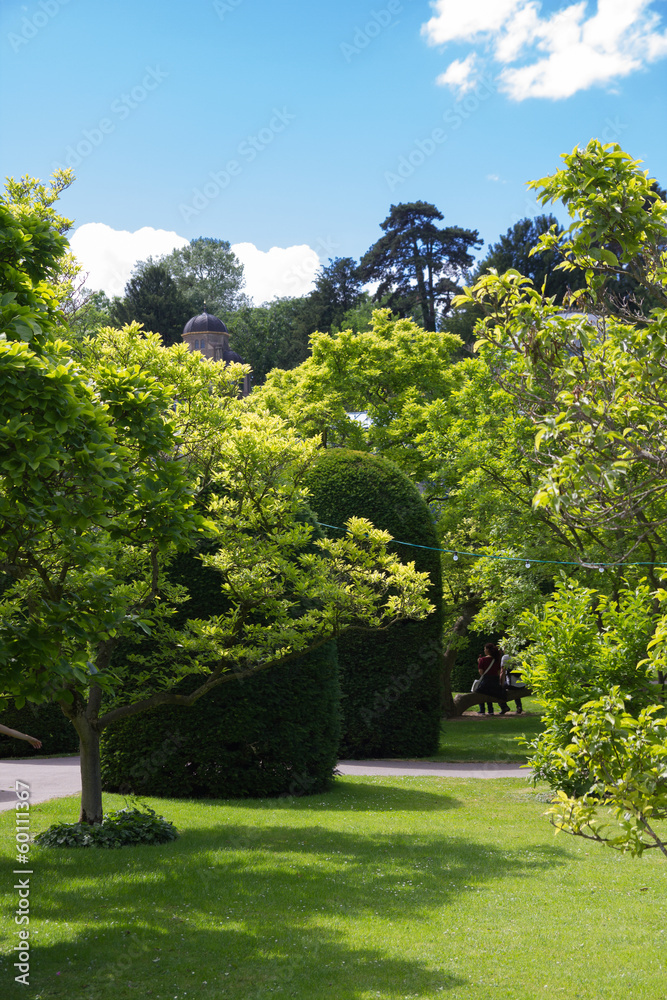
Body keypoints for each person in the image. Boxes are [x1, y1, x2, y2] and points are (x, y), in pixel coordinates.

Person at [476, 643, 509, 716]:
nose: (484, 650)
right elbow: (498, 672)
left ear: (488, 650)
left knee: (479, 692)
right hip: (495, 681)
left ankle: (482, 710)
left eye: (485, 649)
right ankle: (490, 710)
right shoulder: (497, 660)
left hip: (486, 681)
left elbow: (481, 672)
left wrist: (479, 663)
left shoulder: (483, 660)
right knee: (490, 693)